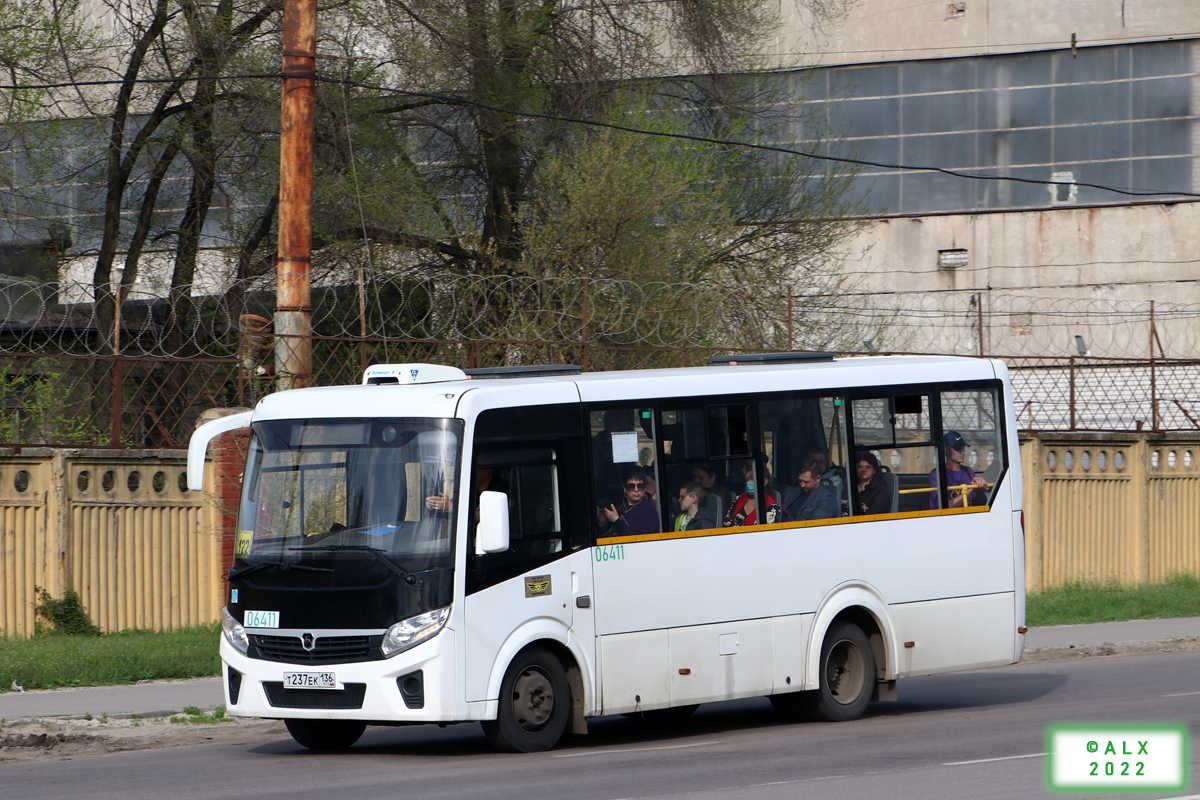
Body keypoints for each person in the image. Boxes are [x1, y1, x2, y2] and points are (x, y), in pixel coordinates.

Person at [931, 430, 989, 508]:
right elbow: (943, 507)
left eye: (963, 448)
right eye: (957, 448)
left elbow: (978, 500)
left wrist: (980, 486)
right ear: (946, 450)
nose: (962, 452)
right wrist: (970, 490)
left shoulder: (968, 471)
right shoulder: (937, 475)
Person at [723, 459, 782, 527]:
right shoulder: (739, 498)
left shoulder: (772, 507)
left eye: (752, 478)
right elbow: (726, 523)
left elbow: (764, 531)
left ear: (764, 482)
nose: (748, 482)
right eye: (747, 479)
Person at [602, 471, 661, 536]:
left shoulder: (649, 510)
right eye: (631, 486)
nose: (636, 490)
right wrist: (602, 524)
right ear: (624, 488)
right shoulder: (618, 508)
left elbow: (640, 539)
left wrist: (616, 521)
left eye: (640, 486)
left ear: (644, 488)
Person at [854, 450, 891, 516]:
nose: (863, 470)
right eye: (859, 467)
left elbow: (873, 514)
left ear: (874, 470)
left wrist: (859, 507)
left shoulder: (881, 490)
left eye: (868, 467)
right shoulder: (850, 486)